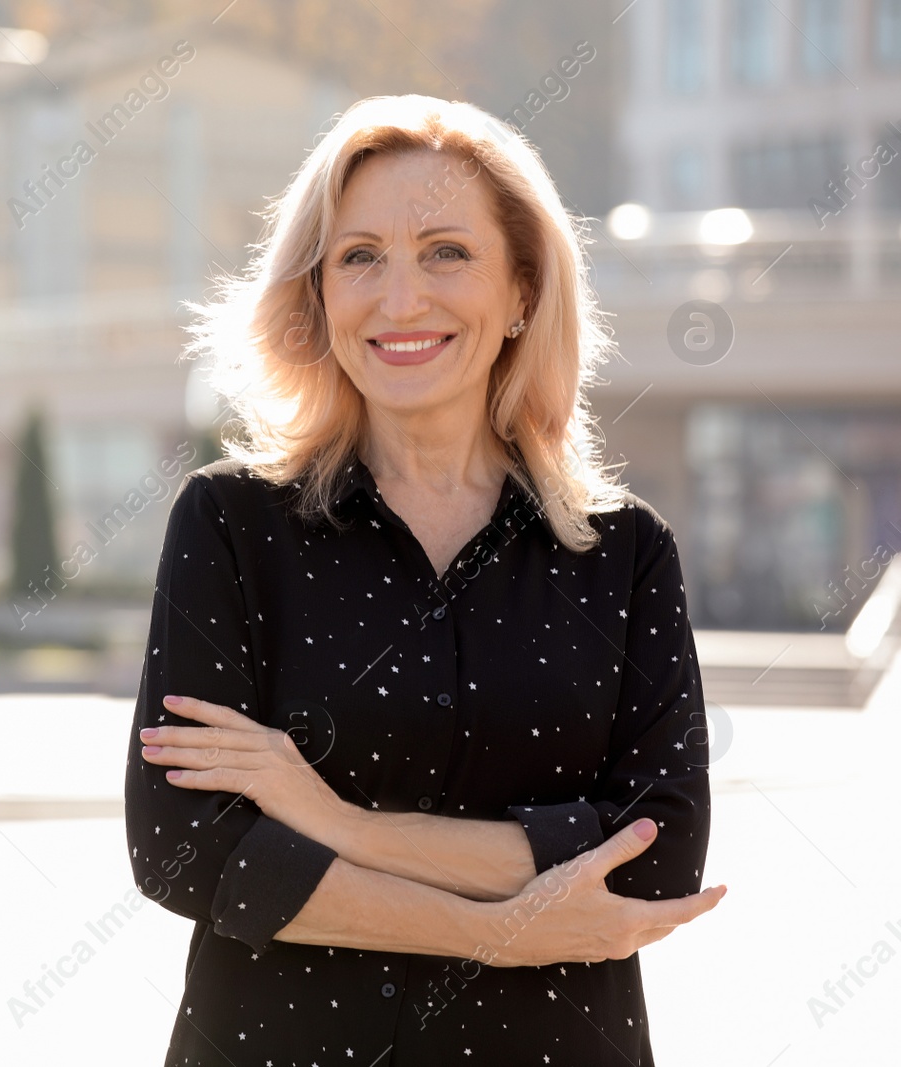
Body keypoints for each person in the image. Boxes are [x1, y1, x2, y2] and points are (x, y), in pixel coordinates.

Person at [124, 95, 725, 1065]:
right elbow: (187, 848)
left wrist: (328, 820)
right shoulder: (231, 525)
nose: (400, 299)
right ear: (316, 291)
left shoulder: (624, 554)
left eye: (445, 251)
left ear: (522, 289)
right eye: (359, 256)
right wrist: (509, 923)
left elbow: (654, 851)